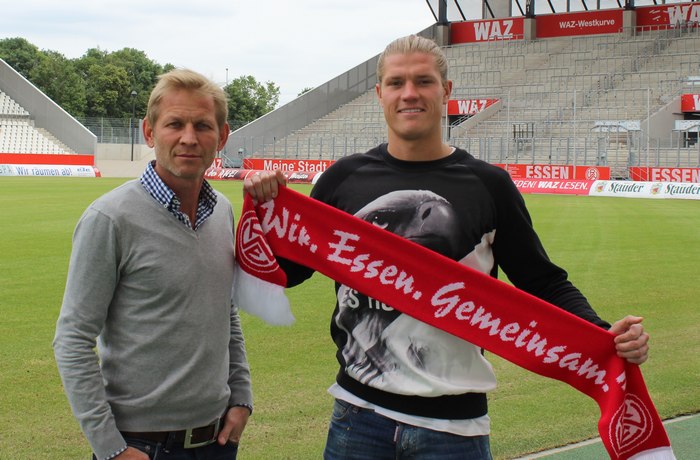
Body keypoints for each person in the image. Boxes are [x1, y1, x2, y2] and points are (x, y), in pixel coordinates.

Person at [246, 35, 650, 459]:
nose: (410, 94)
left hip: (454, 429)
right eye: (397, 82)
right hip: (357, 417)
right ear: (379, 93)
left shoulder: (489, 185)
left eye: (423, 81)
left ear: (446, 91)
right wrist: (263, 213)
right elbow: (288, 273)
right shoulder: (342, 179)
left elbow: (542, 281)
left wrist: (604, 334)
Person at [54, 68, 255, 460]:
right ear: (149, 132)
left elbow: (223, 311)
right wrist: (110, 447)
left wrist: (241, 397)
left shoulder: (223, 213)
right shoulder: (110, 218)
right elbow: (73, 339)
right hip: (140, 445)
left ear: (223, 135)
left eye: (202, 125)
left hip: (216, 442)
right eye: (174, 124)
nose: (189, 138)